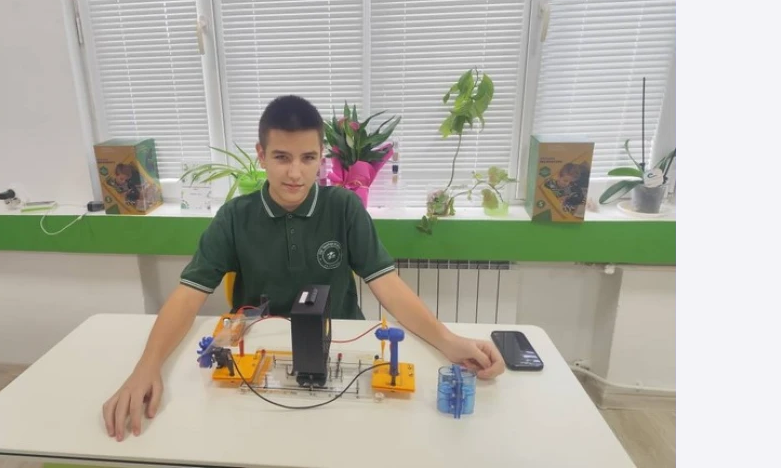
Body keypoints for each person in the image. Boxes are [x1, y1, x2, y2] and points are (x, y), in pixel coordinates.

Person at [102, 95, 506, 441]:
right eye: (281, 157)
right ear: (261, 155)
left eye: (307, 158)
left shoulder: (343, 208)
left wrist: (449, 341)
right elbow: (188, 295)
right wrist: (147, 366)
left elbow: (388, 285)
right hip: (260, 359)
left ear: (321, 158)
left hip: (343, 350)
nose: (295, 173)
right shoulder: (235, 217)